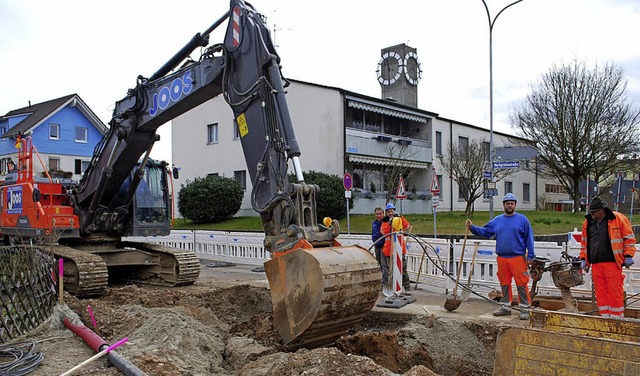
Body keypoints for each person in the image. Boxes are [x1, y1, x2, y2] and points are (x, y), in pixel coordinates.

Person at [466, 193, 535, 320]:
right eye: (507, 203)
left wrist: (531, 256)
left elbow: (529, 238)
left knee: (521, 283)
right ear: (504, 205)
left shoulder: (523, 220)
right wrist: (472, 228)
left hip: (518, 258)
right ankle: (505, 307)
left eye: (512, 203)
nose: (510, 205)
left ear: (515, 205)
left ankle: (525, 308)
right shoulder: (497, 220)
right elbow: (486, 232)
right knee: (504, 283)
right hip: (502, 258)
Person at [580, 197, 636, 319]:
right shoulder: (588, 222)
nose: (592, 215)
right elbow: (584, 242)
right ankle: (604, 316)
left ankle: (616, 317)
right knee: (600, 292)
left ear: (602, 210)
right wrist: (584, 258)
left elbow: (629, 238)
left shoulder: (618, 219)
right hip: (596, 263)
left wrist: (628, 255)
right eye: (591, 212)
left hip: (613, 262)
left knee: (614, 291)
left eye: (594, 212)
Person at [380, 203, 412, 291]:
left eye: (392, 211)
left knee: (403, 270)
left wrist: (401, 218)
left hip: (400, 249)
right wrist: (390, 224)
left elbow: (408, 226)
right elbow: (383, 232)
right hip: (388, 250)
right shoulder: (385, 222)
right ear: (386, 213)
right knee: (390, 270)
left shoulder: (400, 219)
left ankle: (407, 288)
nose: (390, 213)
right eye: (388, 212)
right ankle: (393, 287)